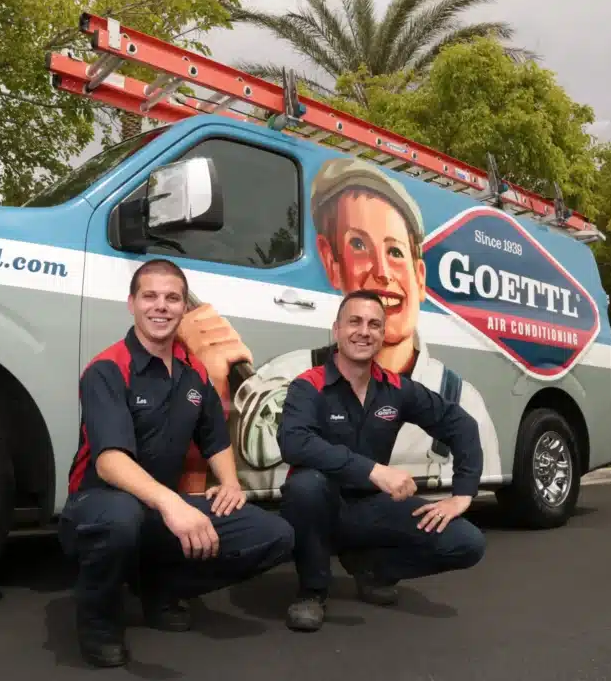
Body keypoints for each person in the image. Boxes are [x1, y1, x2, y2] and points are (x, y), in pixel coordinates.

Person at [176, 157, 500, 494]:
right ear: (332, 264)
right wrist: (209, 390)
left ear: (419, 277)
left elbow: (464, 435)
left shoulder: (460, 398)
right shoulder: (285, 381)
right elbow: (208, 498)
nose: (382, 272)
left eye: (395, 252)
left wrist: (463, 494)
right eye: (358, 245)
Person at [58, 258, 295, 667]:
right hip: (97, 506)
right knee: (120, 517)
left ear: (185, 308)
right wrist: (174, 506)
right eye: (150, 296)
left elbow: (215, 437)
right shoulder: (107, 369)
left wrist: (230, 483)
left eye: (172, 298)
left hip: (158, 510)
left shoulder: (193, 372)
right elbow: (110, 462)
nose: (161, 306)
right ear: (131, 303)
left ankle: (160, 587)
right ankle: (98, 619)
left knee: (276, 535)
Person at [276, 289, 487, 632]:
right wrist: (372, 470)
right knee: (307, 485)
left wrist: (463, 493)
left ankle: (374, 569)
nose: (364, 331)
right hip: (319, 507)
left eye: (374, 324)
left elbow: (461, 424)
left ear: (382, 335)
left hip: (370, 509)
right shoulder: (308, 385)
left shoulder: (397, 388)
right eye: (354, 322)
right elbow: (295, 443)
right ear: (336, 330)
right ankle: (311, 591)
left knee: (467, 543)